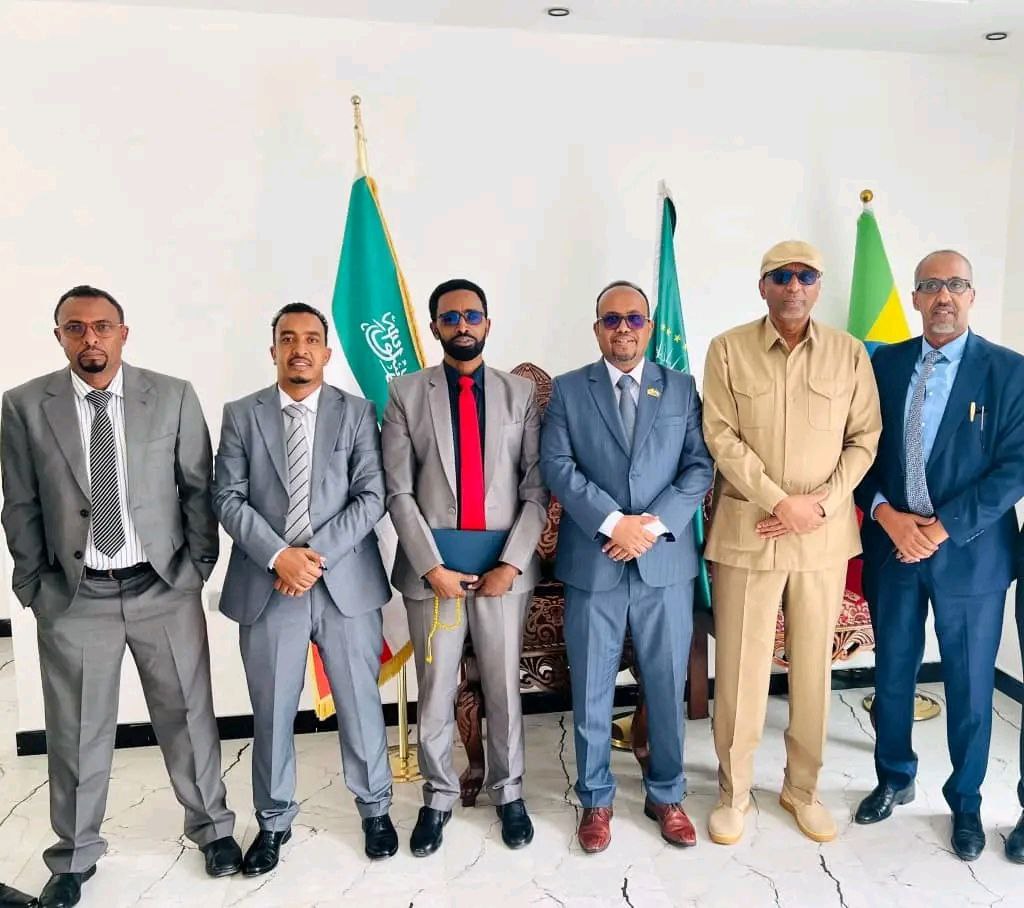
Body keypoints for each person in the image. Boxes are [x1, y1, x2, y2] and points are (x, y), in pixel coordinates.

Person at [0, 286, 240, 908]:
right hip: (75, 596)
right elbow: (20, 502)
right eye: (75, 328)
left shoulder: (172, 395)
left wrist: (195, 568)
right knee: (77, 730)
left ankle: (214, 830)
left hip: (162, 586)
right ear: (59, 336)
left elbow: (197, 488)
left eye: (102, 326)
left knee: (187, 714)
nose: (91, 338)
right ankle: (75, 856)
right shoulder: (24, 405)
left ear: (123, 333)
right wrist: (34, 585)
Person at [701, 241, 881, 845]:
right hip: (749, 532)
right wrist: (780, 502)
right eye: (782, 276)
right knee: (740, 670)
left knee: (811, 673)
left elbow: (864, 439)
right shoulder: (728, 349)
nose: (794, 286)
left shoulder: (848, 353)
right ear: (763, 286)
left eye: (806, 276)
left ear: (819, 285)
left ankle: (802, 790)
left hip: (821, 539)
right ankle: (734, 793)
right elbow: (720, 436)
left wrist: (819, 506)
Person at [213, 303, 397, 871]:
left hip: (344, 583)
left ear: (326, 351)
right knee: (271, 711)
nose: (300, 348)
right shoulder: (242, 414)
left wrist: (312, 559)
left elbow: (372, 495)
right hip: (269, 586)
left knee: (360, 703)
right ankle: (272, 822)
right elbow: (227, 497)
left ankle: (375, 810)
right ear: (273, 349)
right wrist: (279, 557)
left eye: (311, 339)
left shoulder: (357, 413)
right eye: (288, 338)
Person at [853, 251, 1024, 862]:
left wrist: (944, 527)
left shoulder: (1009, 371)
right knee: (893, 672)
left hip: (972, 556)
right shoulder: (883, 364)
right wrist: (886, 514)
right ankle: (894, 777)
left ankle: (966, 802)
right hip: (893, 547)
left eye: (955, 285)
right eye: (930, 285)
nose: (943, 296)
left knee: (971, 685)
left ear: (972, 295)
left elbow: (1014, 468)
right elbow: (858, 450)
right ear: (916, 298)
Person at [539, 280, 713, 853]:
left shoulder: (681, 387)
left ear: (649, 327)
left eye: (634, 319)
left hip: (664, 562)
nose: (623, 329)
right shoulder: (569, 390)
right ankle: (595, 799)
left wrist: (650, 527)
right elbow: (557, 465)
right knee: (591, 688)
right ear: (597, 329)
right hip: (596, 562)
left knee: (665, 685)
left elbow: (698, 467)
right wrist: (615, 524)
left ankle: (666, 794)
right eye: (611, 320)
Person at [381, 279, 547, 856]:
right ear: (435, 327)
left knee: (503, 686)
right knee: (435, 691)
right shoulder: (405, 393)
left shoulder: (520, 394)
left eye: (472, 315)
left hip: (503, 572)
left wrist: (512, 564)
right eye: (450, 317)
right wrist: (431, 567)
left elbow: (536, 488)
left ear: (488, 323)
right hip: (434, 576)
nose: (462, 325)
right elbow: (398, 491)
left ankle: (509, 793)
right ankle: (438, 797)